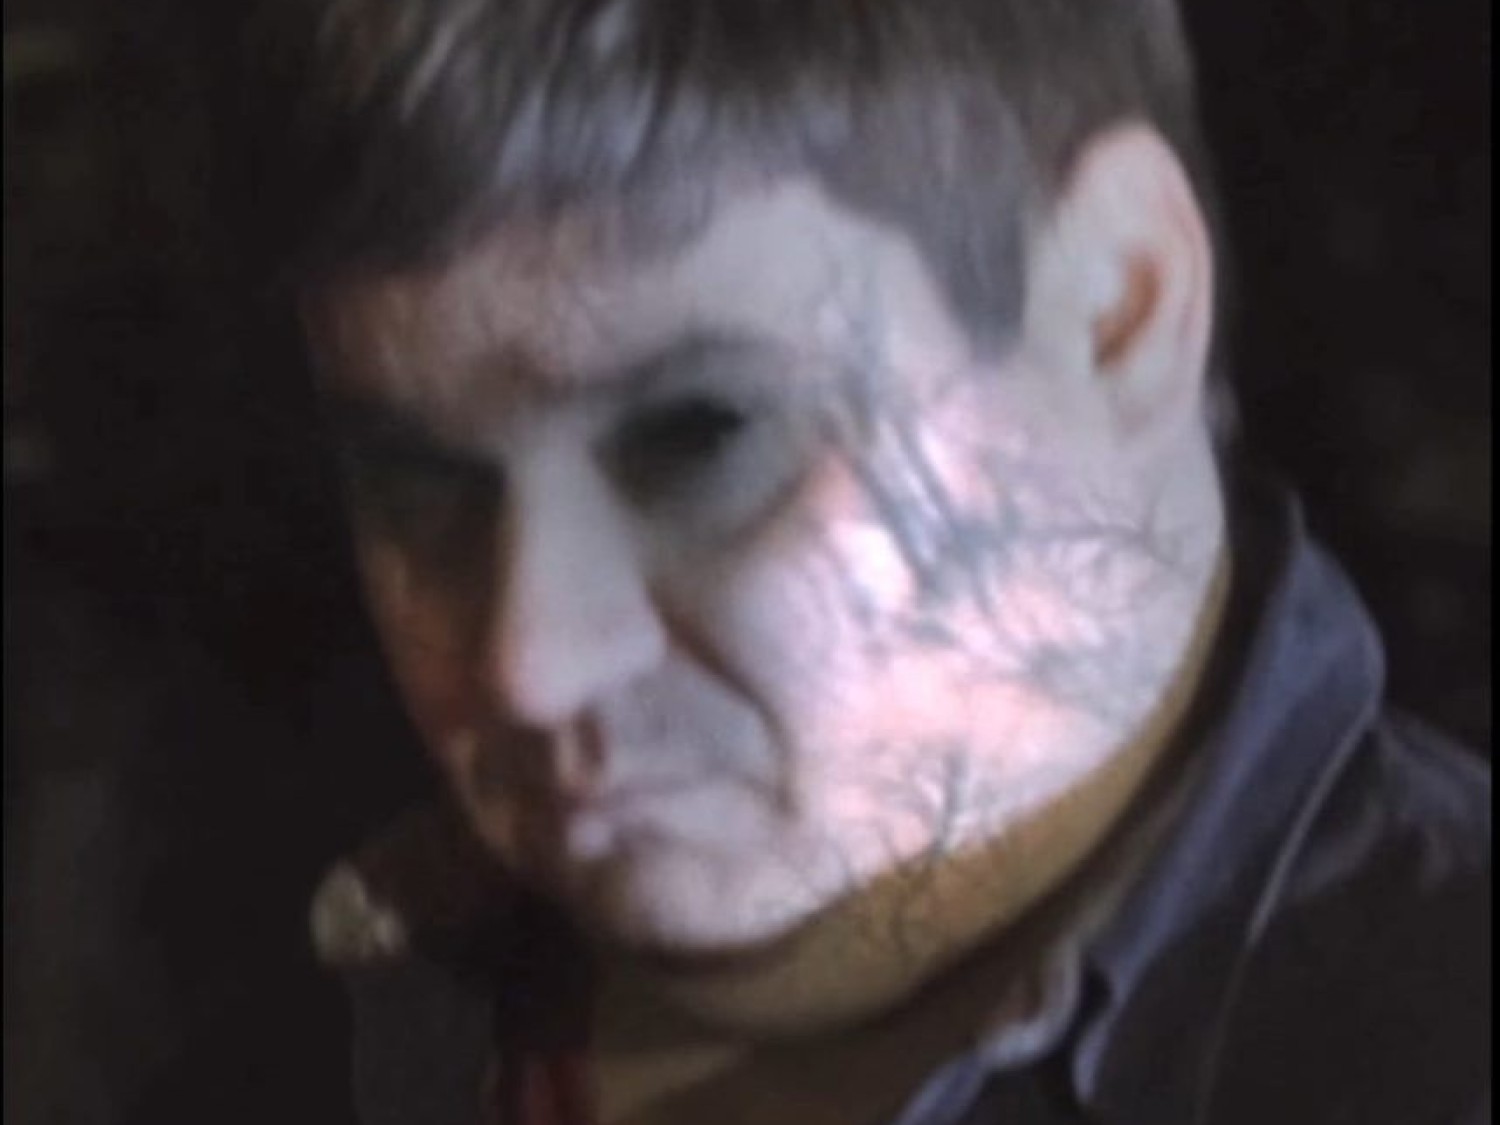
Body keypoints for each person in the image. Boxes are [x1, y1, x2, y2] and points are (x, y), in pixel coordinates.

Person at [237, 0, 1491, 1121]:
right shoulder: (239, 957)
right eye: (422, 488)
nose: (530, 664)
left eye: (701, 439)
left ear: (1116, 305)